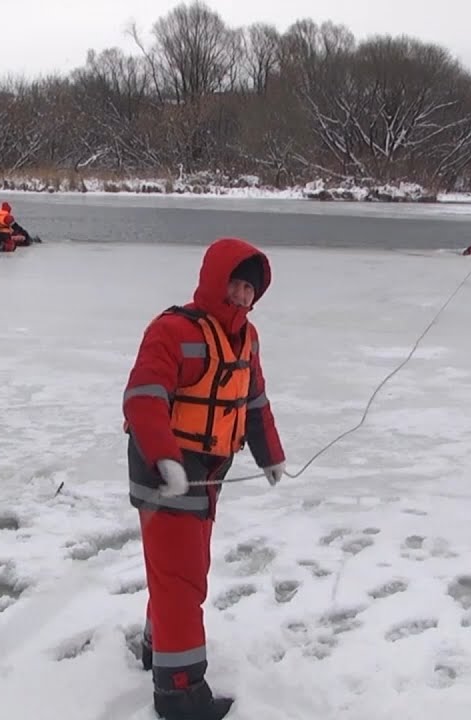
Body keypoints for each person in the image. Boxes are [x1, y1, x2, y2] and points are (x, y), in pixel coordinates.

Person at [121, 237, 287, 720]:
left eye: (249, 290)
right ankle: (179, 694)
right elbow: (144, 396)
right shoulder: (174, 331)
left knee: (180, 572)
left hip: (208, 476)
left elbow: (254, 403)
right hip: (165, 473)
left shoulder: (247, 339)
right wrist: (165, 460)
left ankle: (158, 648)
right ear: (216, 281)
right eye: (235, 285)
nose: (241, 297)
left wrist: (269, 455)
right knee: (182, 582)